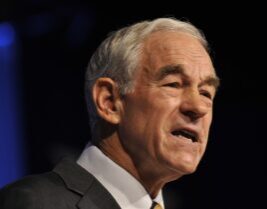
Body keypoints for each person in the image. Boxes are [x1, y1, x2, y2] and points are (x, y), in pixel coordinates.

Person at [0, 17, 220, 209]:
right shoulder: (36, 202)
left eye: (206, 93)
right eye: (173, 84)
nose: (199, 107)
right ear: (109, 102)